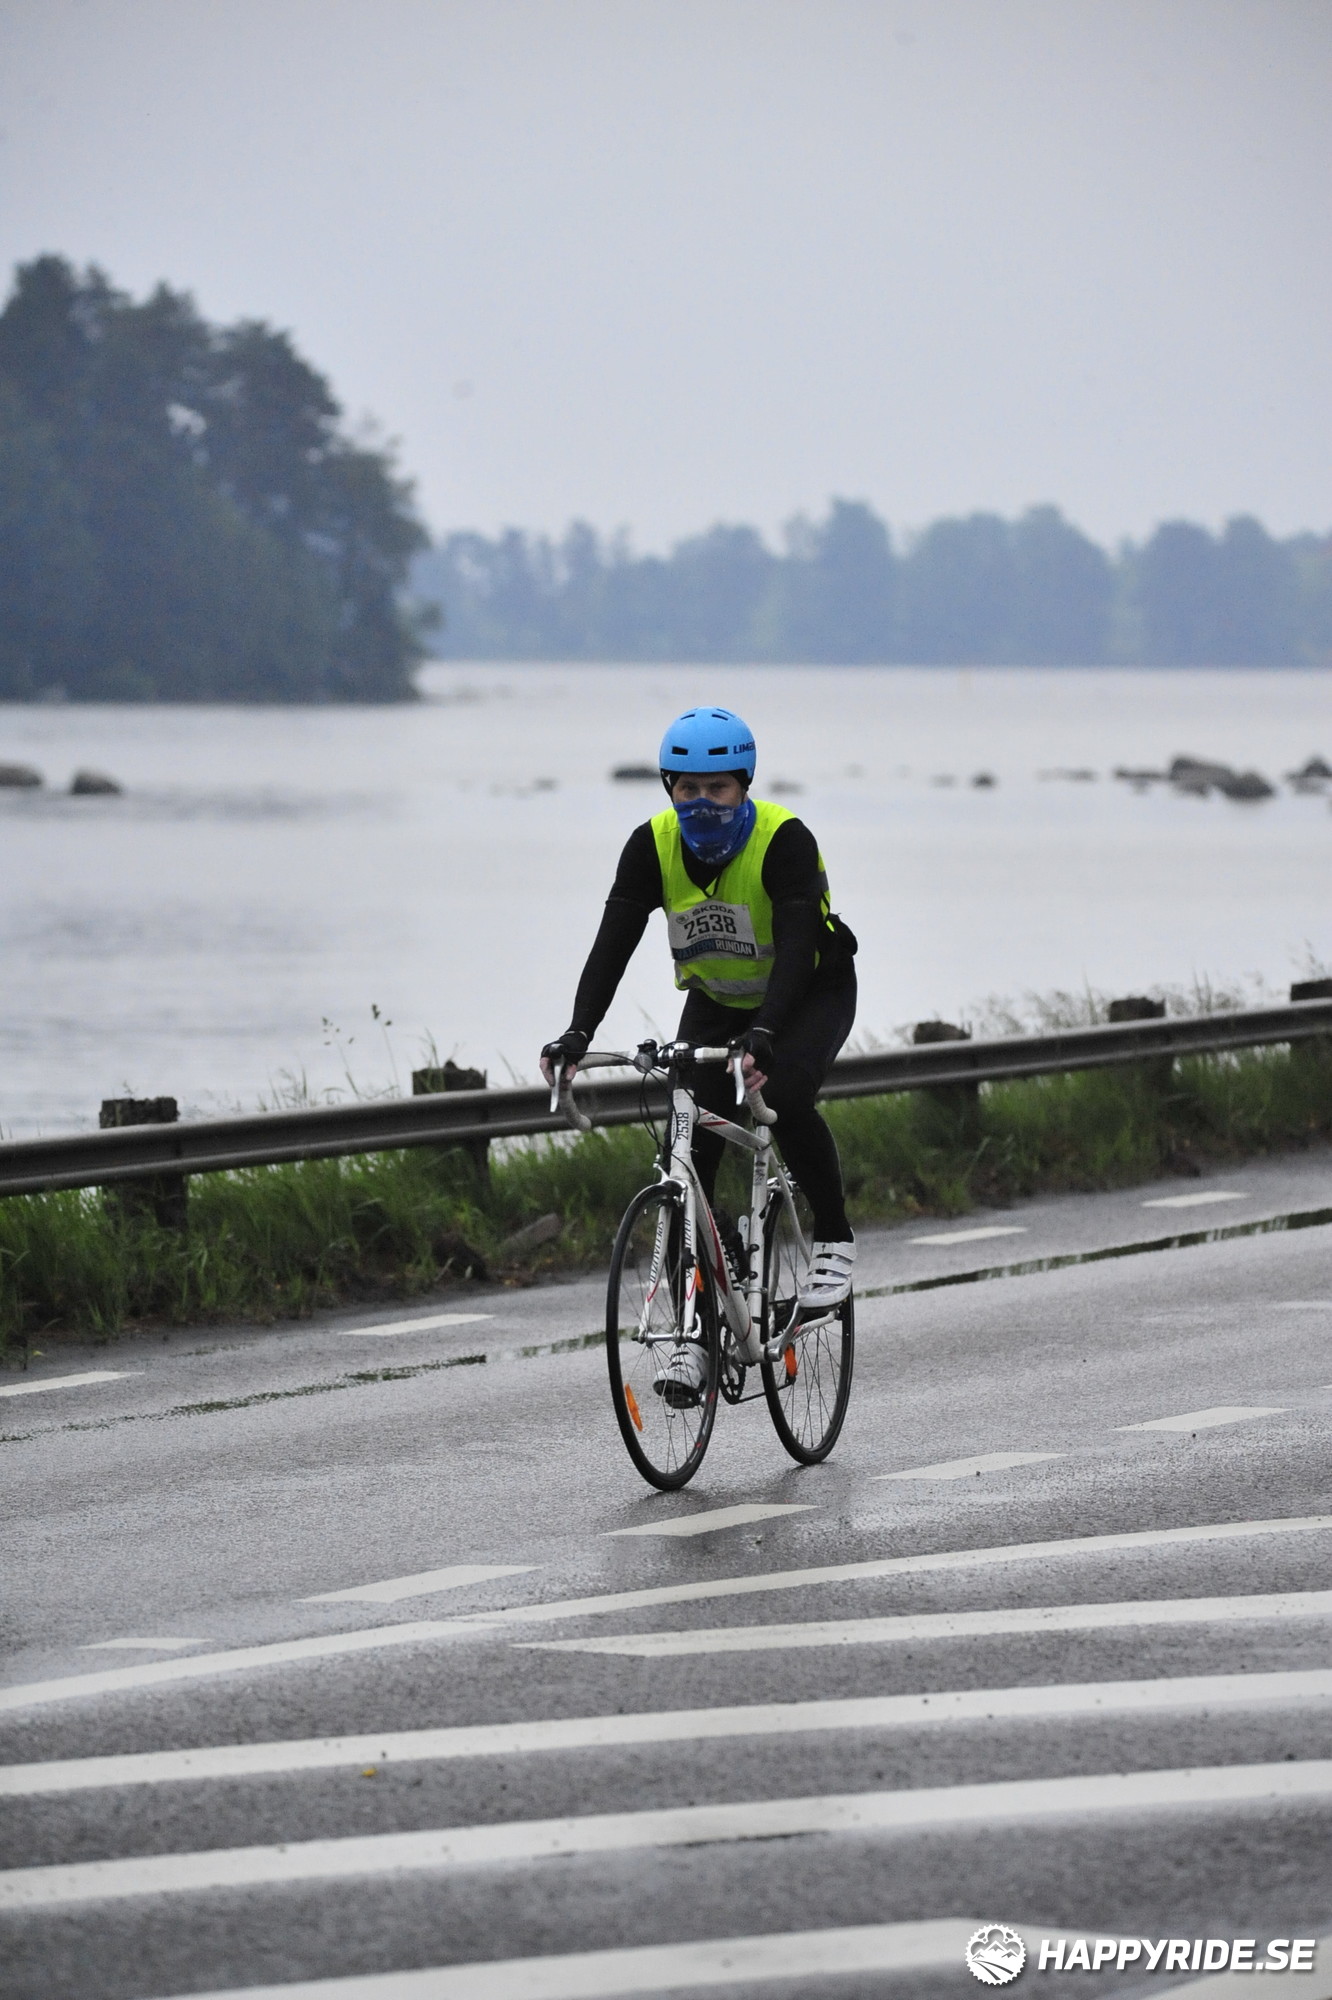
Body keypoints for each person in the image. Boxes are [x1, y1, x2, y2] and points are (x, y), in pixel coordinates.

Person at [540, 705, 858, 1399]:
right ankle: (698, 1332)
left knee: (785, 1095)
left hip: (809, 991)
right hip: (720, 1002)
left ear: (744, 786)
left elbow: (796, 947)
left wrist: (766, 1034)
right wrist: (577, 1033)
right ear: (669, 788)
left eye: (718, 788)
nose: (702, 802)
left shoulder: (782, 840)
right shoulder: (650, 847)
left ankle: (834, 1238)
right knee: (687, 1161)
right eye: (687, 788)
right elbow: (613, 944)